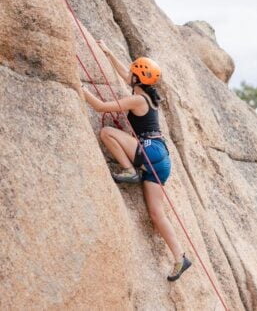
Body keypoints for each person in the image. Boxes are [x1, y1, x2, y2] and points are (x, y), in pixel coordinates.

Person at [76, 40, 191, 281]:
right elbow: (126, 75)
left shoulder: (137, 100)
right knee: (156, 214)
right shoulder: (145, 95)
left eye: (133, 73)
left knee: (107, 132)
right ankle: (180, 257)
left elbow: (99, 107)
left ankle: (129, 170)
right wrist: (108, 53)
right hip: (160, 157)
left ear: (138, 80)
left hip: (148, 152)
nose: (129, 75)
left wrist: (77, 85)